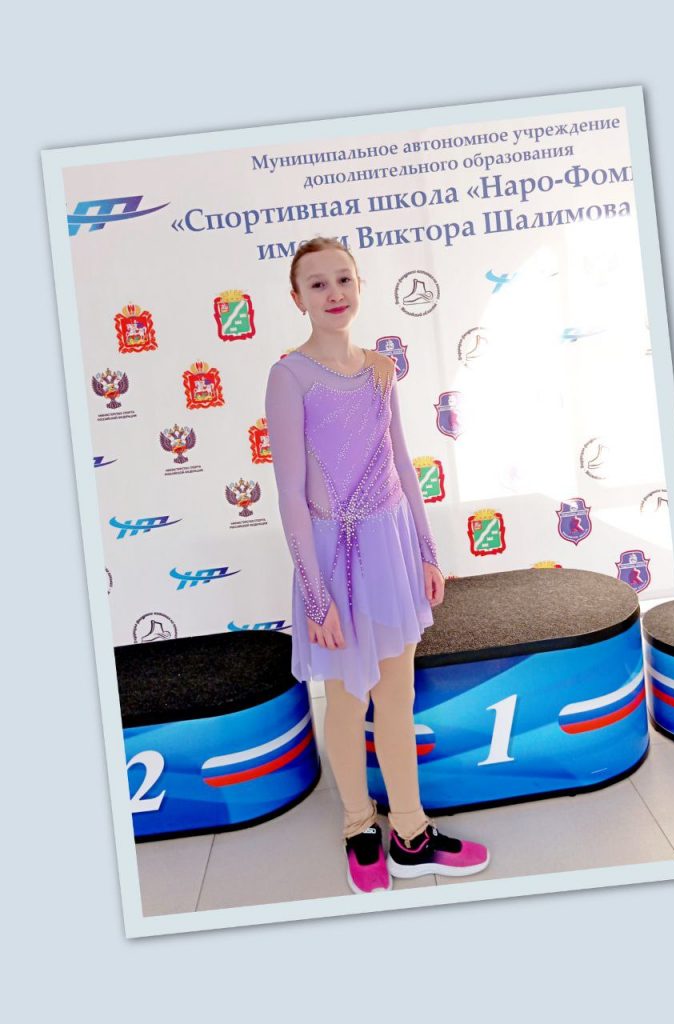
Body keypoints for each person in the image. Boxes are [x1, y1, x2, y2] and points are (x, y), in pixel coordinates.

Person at [264, 237, 489, 894]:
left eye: (343, 279)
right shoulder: (289, 376)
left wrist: (426, 551)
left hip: (390, 547)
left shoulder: (383, 368)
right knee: (346, 696)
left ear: (360, 284)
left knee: (397, 693)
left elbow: (401, 465)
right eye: (317, 284)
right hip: (332, 557)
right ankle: (358, 824)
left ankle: (412, 833)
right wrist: (316, 596)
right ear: (297, 298)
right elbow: (289, 493)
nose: (334, 293)